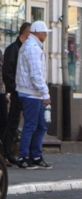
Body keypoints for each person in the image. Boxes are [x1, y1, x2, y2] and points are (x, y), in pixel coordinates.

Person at [15, 21, 52, 169]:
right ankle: (24, 156)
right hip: (32, 93)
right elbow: (36, 74)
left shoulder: (32, 46)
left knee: (40, 125)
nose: (46, 35)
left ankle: (35, 155)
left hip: (33, 93)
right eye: (44, 32)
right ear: (38, 33)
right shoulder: (32, 48)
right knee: (31, 125)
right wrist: (45, 93)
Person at [3, 22, 31, 164]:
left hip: (23, 90)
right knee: (11, 123)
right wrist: (13, 89)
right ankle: (7, 153)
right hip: (16, 91)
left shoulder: (24, 49)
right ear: (26, 34)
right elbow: (7, 72)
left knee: (17, 123)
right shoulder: (13, 50)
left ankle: (12, 152)